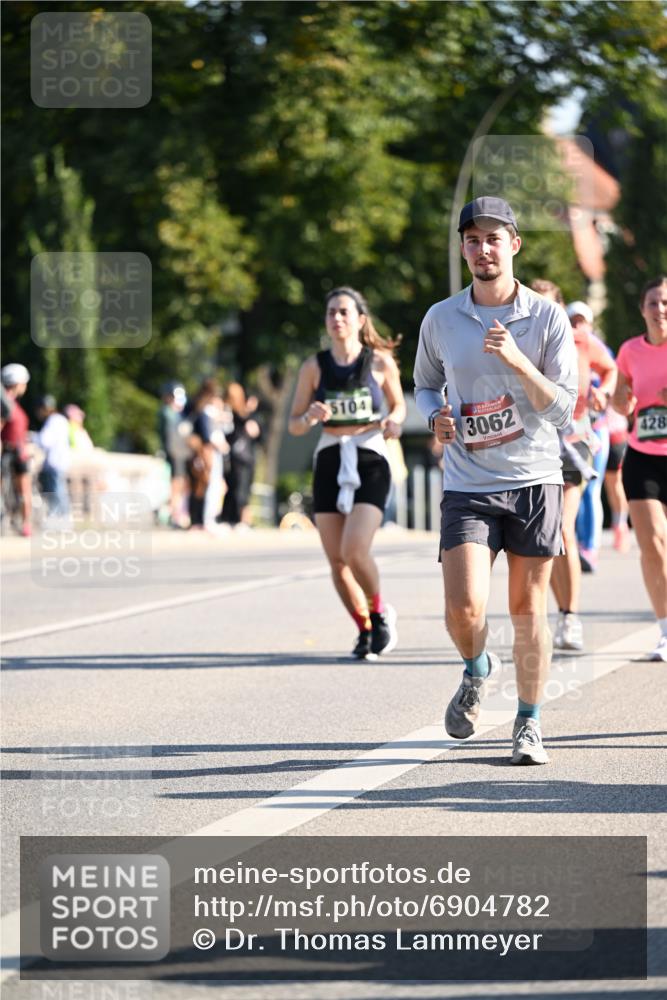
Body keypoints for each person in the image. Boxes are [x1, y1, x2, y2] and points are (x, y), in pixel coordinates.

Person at [414, 196, 577, 765]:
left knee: (528, 609)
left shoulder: (546, 318)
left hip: (535, 478)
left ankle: (528, 723)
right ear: (463, 248)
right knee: (463, 607)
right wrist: (434, 415)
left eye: (493, 238)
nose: (483, 249)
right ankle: (478, 666)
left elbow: (563, 411)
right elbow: (426, 385)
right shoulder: (441, 318)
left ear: (515, 244)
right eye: (472, 240)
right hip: (467, 482)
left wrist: (517, 361)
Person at [289, 286, 406, 659]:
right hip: (329, 458)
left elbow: (399, 406)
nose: (336, 319)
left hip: (370, 456)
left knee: (354, 550)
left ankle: (379, 612)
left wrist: (393, 422)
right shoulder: (314, 366)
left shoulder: (380, 363)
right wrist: (309, 417)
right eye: (330, 313)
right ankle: (364, 629)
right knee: (336, 562)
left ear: (360, 319)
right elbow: (294, 423)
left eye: (343, 312)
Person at [550, 301, 616, 647]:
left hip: (575, 441)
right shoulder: (527, 338)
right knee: (546, 535)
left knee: (562, 526)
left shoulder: (581, 340)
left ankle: (571, 617)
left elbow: (610, 368)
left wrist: (603, 392)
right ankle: (561, 613)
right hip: (536, 443)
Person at [611, 275, 667, 661]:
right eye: (653, 303)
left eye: (665, 302)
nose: (660, 310)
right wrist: (622, 402)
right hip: (642, 457)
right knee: (653, 545)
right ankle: (665, 631)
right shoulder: (630, 350)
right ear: (642, 308)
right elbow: (620, 400)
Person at [220, 383, 261, 529]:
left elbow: (256, 432)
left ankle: (242, 519)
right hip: (239, 457)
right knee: (238, 489)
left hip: (242, 456)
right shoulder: (232, 413)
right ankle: (237, 519)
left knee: (241, 489)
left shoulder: (245, 415)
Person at [1, 363, 32, 536]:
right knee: (24, 491)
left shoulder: (8, 402)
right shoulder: (6, 403)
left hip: (15, 451)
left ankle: (24, 523)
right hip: (14, 453)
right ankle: (25, 523)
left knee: (22, 491)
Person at [158, 381, 190, 528]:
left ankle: (176, 513)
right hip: (174, 454)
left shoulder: (176, 414)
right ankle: (172, 515)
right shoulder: (167, 413)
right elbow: (171, 439)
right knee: (174, 486)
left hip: (180, 454)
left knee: (180, 485)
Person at [36, 395, 71, 518]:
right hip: (61, 461)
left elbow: (45, 441)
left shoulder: (52, 421)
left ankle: (60, 518)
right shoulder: (61, 419)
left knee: (56, 492)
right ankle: (63, 517)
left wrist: (33, 439)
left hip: (54, 462)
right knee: (60, 491)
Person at [604, 404, 631, 553]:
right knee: (609, 487)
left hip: (616, 435)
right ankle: (618, 525)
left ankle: (621, 526)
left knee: (617, 485)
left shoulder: (615, 379)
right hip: (598, 433)